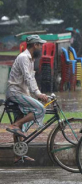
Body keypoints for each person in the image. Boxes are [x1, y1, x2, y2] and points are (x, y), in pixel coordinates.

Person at [5, 35, 48, 163]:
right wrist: (38, 94)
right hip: (15, 93)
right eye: (40, 45)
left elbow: (30, 79)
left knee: (22, 120)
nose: (41, 47)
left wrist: (35, 94)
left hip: (21, 92)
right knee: (40, 109)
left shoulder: (31, 59)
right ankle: (16, 125)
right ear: (35, 45)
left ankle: (19, 155)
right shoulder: (24, 57)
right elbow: (28, 78)